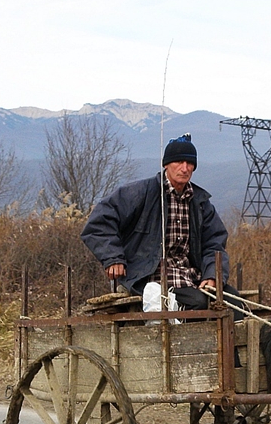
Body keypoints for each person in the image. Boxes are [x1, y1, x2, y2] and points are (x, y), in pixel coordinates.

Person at [81, 133, 243, 319]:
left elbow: (214, 243)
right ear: (166, 164)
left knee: (236, 305)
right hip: (148, 277)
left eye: (189, 163)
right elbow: (99, 222)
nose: (184, 168)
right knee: (198, 303)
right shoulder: (140, 193)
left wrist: (212, 275)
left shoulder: (200, 203)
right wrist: (113, 258)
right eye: (179, 162)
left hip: (191, 278)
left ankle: (233, 348)